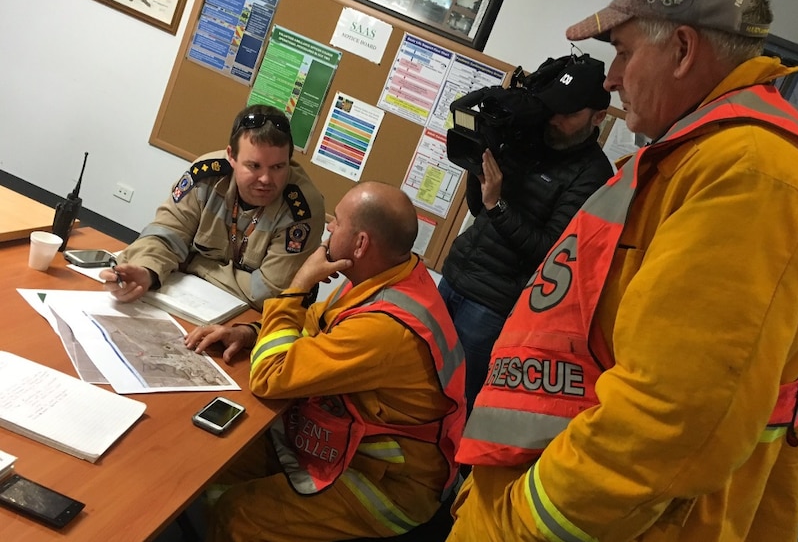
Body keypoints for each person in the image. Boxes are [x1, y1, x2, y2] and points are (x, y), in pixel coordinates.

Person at [448, 0, 798, 541]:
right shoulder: (696, 156)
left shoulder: (752, 172)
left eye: (622, 52)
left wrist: (515, 524)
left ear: (684, 49)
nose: (612, 79)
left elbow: (670, 421)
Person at [187, 182, 466, 542]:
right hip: (345, 444)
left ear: (361, 243)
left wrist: (298, 283)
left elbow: (270, 376)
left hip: (387, 484)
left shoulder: (385, 328)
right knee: (217, 459)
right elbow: (318, 325)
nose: (329, 227)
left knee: (240, 516)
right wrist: (251, 331)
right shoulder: (388, 276)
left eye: (338, 222)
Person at [438, 55, 613, 412]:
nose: (555, 119)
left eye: (568, 114)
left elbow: (549, 252)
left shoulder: (593, 175)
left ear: (598, 117)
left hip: (492, 306)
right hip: (454, 276)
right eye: (552, 109)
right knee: (411, 379)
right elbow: (478, 205)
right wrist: (482, 160)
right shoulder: (528, 136)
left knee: (457, 402)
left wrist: (498, 204)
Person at [101, 104, 325, 312]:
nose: (266, 179)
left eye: (278, 166)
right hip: (187, 304)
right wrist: (147, 270)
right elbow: (165, 234)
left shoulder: (303, 208)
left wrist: (191, 262)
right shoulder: (206, 176)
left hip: (249, 321)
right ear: (231, 156)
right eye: (254, 166)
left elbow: (268, 292)